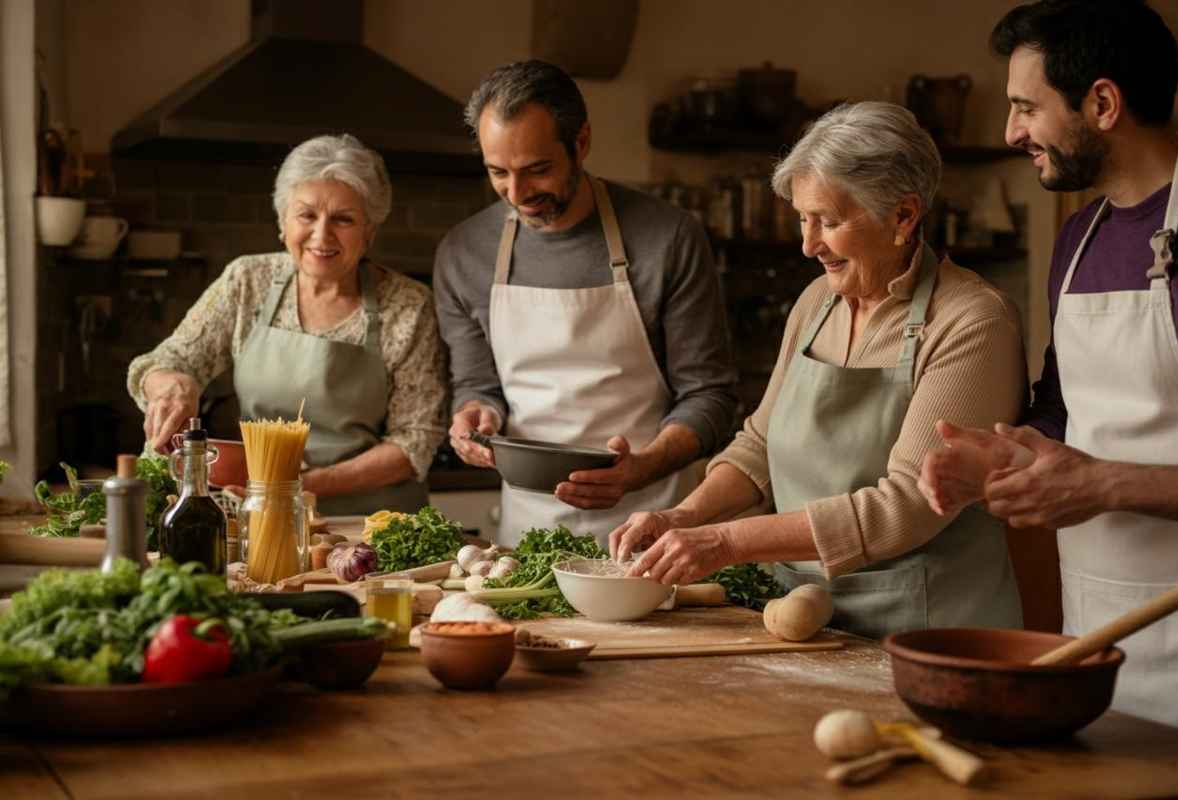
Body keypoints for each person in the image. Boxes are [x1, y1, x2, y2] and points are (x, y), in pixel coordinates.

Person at [609, 102, 1027, 640]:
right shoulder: (817, 303)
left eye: (828, 222)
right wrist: (682, 518)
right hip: (809, 620)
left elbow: (908, 504)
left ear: (903, 216)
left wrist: (729, 542)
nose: (809, 246)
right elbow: (759, 445)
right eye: (803, 219)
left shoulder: (973, 321)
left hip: (930, 630)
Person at [919, 0, 1178, 731]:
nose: (1011, 132)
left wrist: (1101, 482)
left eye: (1025, 107)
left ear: (1102, 103)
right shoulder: (1080, 235)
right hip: (1100, 634)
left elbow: (1096, 469)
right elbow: (1065, 405)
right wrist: (1006, 456)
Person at [434, 60, 737, 547]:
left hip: (652, 526)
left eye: (538, 170)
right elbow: (477, 383)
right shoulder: (463, 252)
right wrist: (475, 413)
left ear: (581, 142)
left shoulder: (668, 238)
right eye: (498, 173)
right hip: (526, 532)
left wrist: (639, 470)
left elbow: (711, 397)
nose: (518, 194)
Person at [129, 134, 447, 515]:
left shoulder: (409, 305)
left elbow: (414, 443)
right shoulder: (248, 280)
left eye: (343, 219)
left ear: (370, 232)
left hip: (371, 523)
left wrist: (295, 486)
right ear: (282, 221)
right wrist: (176, 387)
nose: (322, 235)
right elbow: (163, 362)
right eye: (307, 215)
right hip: (265, 517)